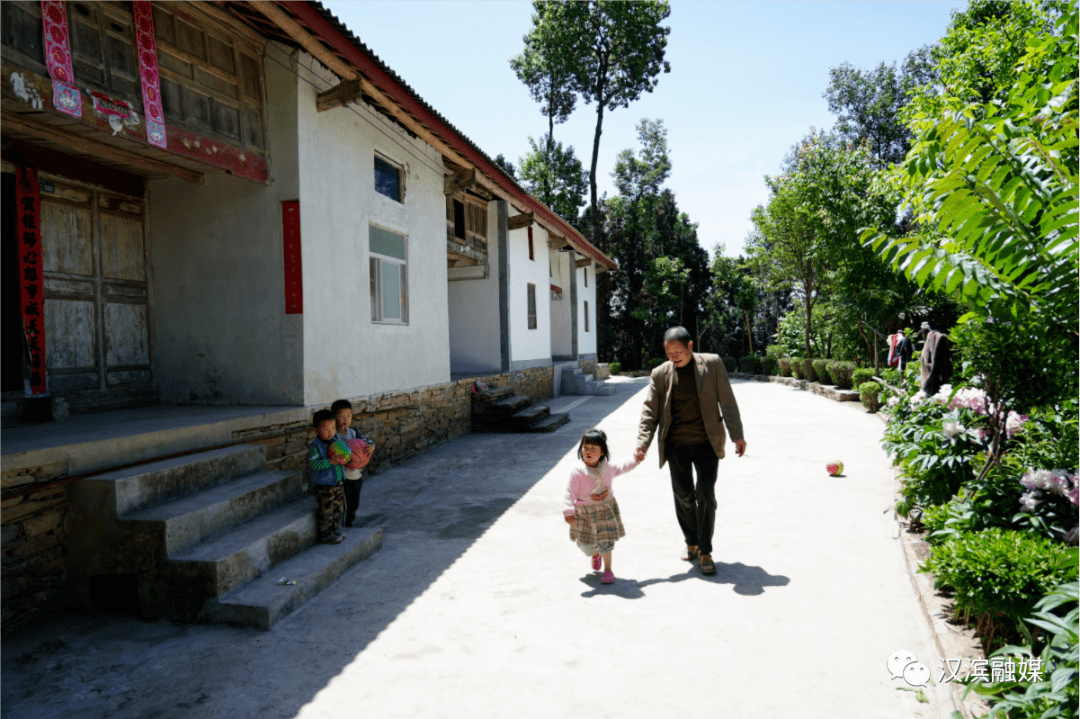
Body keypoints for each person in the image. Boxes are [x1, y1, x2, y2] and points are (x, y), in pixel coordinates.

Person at [636, 326, 746, 575]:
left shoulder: (712, 364)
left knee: (705, 493)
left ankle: (706, 550)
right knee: (684, 497)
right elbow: (649, 413)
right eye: (668, 351)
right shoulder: (660, 374)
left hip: (707, 443)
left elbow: (727, 401)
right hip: (676, 445)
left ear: (690, 346)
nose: (673, 355)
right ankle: (692, 542)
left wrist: (737, 435)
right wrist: (642, 444)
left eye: (678, 350)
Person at [562, 428, 641, 585]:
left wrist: (636, 459)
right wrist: (568, 510)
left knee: (606, 541)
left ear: (603, 452)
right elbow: (568, 492)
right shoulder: (577, 471)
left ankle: (608, 570)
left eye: (593, 448)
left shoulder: (608, 468)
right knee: (584, 545)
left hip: (605, 509)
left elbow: (625, 466)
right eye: (585, 447)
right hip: (583, 512)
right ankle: (595, 553)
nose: (588, 451)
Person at [307, 409, 350, 544]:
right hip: (323, 485)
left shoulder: (335, 441)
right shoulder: (315, 447)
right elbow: (313, 465)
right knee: (327, 509)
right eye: (326, 429)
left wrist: (346, 459)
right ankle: (325, 534)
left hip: (337, 481)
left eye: (333, 428)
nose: (331, 432)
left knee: (338, 507)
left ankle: (334, 529)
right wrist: (329, 461)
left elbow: (344, 457)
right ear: (316, 431)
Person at [331, 399, 373, 527]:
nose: (345, 419)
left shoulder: (354, 432)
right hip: (342, 477)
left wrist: (372, 446)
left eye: (349, 416)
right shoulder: (333, 436)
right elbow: (334, 452)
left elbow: (367, 441)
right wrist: (347, 458)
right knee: (345, 503)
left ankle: (350, 520)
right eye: (341, 416)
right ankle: (345, 524)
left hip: (356, 475)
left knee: (355, 502)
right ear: (334, 417)